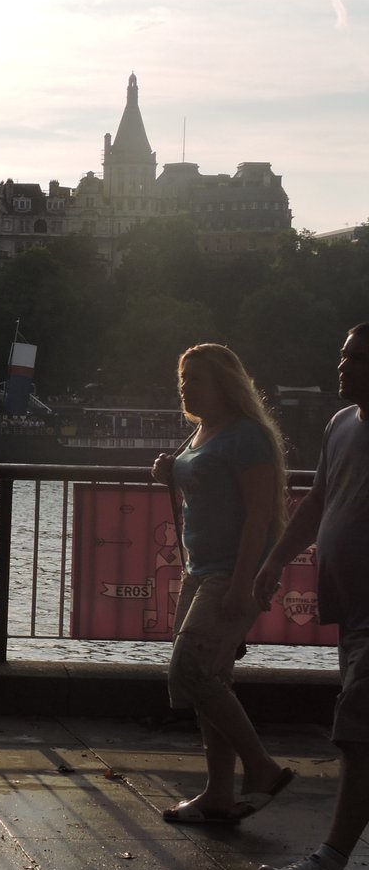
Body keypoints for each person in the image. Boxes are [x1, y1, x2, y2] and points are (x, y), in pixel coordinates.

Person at [149, 343, 294, 825]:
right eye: (183, 376)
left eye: (195, 377)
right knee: (212, 677)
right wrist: (171, 470)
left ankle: (261, 768)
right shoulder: (202, 432)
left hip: (230, 572)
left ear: (224, 384)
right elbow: (204, 482)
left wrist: (241, 584)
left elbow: (260, 515)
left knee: (191, 669)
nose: (185, 385)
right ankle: (217, 793)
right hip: (200, 568)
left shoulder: (247, 436)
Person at [256, 323, 369, 870]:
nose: (344, 366)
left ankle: (329, 867)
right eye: (343, 355)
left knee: (358, 733)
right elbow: (321, 499)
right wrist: (278, 556)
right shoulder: (342, 423)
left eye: (356, 358)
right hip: (351, 609)